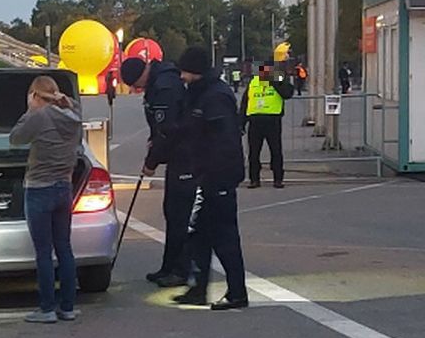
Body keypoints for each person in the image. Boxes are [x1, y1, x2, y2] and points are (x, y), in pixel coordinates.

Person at [168, 47, 249, 311]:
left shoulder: (214, 98)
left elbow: (223, 140)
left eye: (185, 71)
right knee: (199, 235)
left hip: (219, 176)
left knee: (224, 236)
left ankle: (237, 292)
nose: (181, 77)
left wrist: (215, 174)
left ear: (196, 71)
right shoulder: (202, 94)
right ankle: (198, 289)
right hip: (208, 174)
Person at [9, 75, 83, 324]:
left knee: (43, 252)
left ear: (35, 95)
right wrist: (65, 101)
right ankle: (68, 307)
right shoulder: (74, 119)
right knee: (64, 247)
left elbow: (16, 137)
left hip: (39, 188)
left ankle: (47, 308)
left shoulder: (39, 117)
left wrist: (30, 110)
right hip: (64, 186)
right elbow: (73, 108)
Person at [120, 54, 189, 288]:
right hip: (178, 155)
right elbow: (159, 129)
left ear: (141, 76)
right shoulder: (159, 82)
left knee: (179, 214)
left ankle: (180, 270)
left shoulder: (164, 87)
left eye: (135, 85)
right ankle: (169, 267)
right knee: (172, 211)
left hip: (186, 156)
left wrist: (151, 163)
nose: (136, 90)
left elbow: (167, 130)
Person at [240, 61, 296, 189]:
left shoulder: (278, 78)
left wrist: (275, 81)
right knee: (253, 153)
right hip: (255, 121)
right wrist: (241, 122)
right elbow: (245, 102)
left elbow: (287, 93)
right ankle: (254, 179)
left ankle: (278, 179)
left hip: (273, 120)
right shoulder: (254, 82)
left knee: (275, 151)